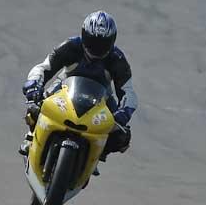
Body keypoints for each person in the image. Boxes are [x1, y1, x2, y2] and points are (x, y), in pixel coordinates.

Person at [18, 11, 137, 170]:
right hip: (64, 88)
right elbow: (43, 68)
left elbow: (128, 92)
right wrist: (34, 85)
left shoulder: (117, 59)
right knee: (36, 106)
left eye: (102, 44)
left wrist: (123, 113)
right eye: (92, 42)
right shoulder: (71, 46)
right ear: (84, 36)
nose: (96, 48)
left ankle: (95, 155)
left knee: (121, 136)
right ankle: (31, 137)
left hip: (101, 98)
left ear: (111, 41)